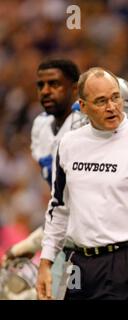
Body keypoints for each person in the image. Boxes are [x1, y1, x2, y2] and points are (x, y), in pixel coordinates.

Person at [36, 67, 128, 300]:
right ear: (83, 106)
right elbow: (59, 208)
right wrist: (46, 261)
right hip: (80, 264)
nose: (112, 107)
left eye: (115, 98)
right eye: (101, 101)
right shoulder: (69, 144)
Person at [1, 59, 82, 299]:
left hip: (94, 240)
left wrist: (35, 242)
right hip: (64, 233)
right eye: (41, 85)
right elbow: (62, 205)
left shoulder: (86, 126)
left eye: (55, 83)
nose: (46, 90)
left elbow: (79, 205)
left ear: (75, 89)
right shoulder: (41, 126)